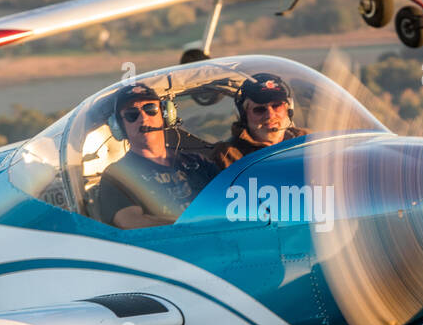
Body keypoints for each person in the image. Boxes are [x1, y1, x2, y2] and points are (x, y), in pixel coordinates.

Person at [95, 83, 216, 228]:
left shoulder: (198, 162)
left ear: (165, 115)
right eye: (132, 115)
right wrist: (193, 226)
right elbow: (131, 222)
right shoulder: (118, 175)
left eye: (150, 109)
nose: (143, 118)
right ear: (119, 126)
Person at [211, 73, 310, 168]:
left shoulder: (307, 140)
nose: (270, 115)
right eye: (259, 109)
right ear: (243, 115)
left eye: (276, 106)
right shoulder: (228, 155)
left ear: (288, 109)